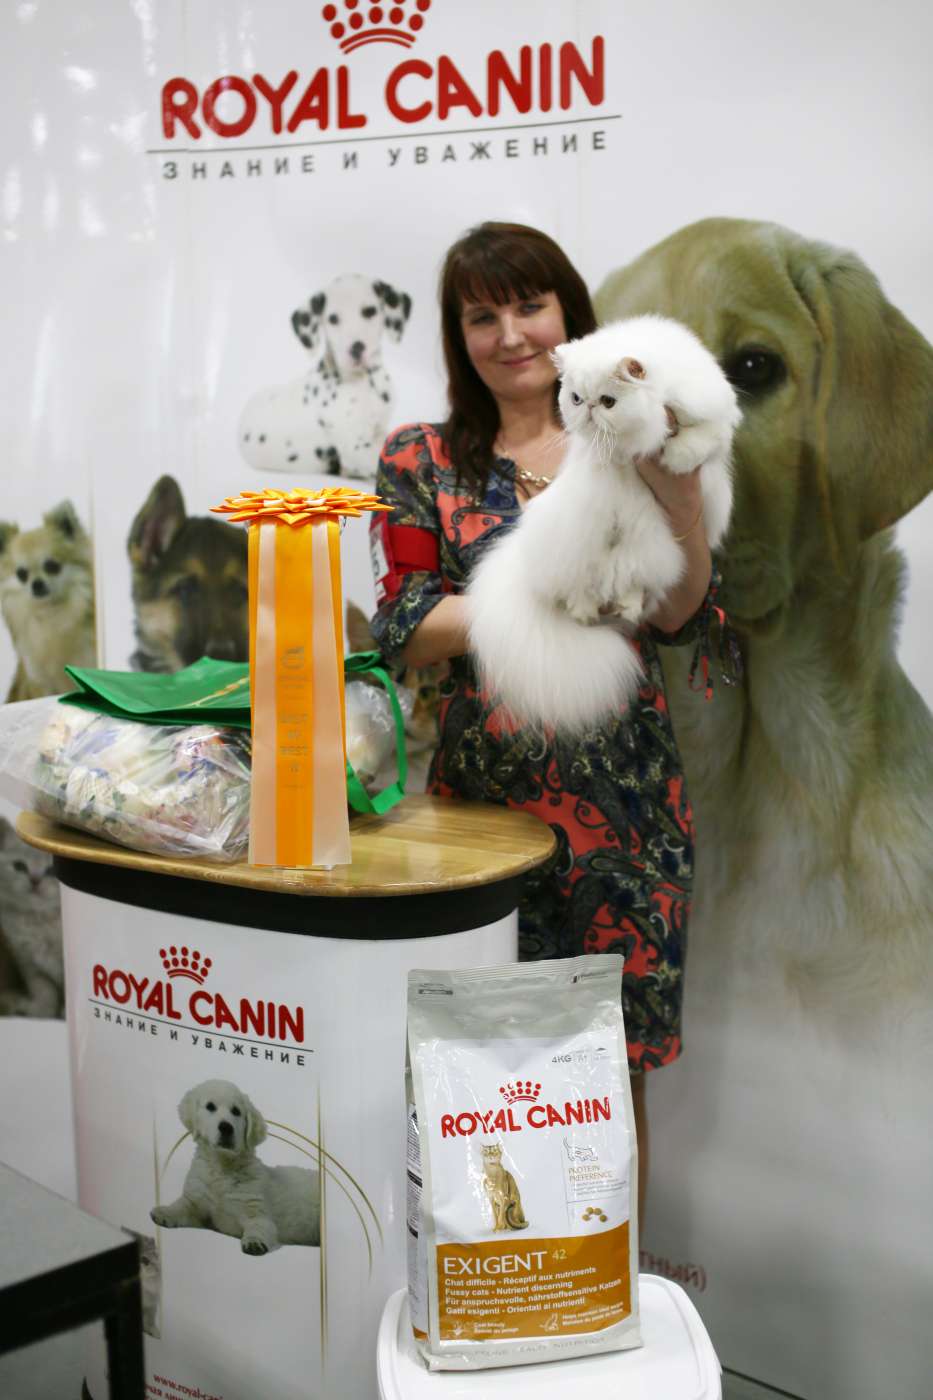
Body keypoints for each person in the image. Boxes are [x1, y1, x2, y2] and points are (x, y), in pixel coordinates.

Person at [368, 222, 730, 1225]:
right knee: (477, 1080)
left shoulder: (633, 432)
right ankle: (496, 1280)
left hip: (629, 820)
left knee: (610, 1079)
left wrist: (680, 503)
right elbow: (407, 627)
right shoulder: (419, 460)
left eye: (530, 306)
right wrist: (548, 592)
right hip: (482, 826)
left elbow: (680, 613)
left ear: (570, 314)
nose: (511, 334)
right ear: (458, 338)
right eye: (481, 316)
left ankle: (606, 1285)